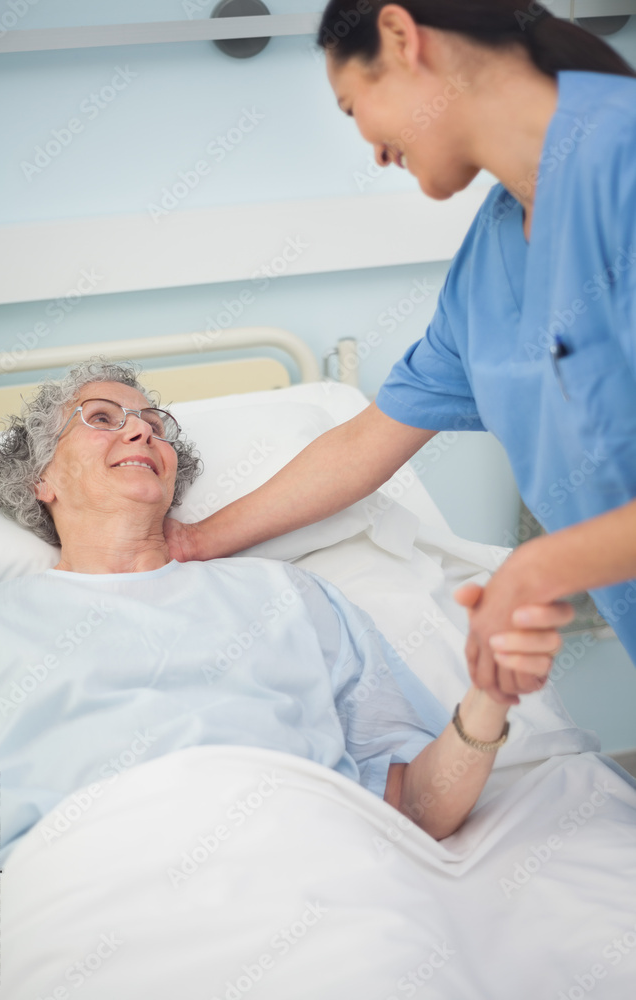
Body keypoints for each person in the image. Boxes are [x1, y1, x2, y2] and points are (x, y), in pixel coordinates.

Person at [164, 0, 636, 708]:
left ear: (399, 36)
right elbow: (366, 441)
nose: (376, 150)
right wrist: (195, 543)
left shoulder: (622, 161)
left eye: (355, 109)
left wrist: (537, 568)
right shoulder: (488, 263)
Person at [0, 357, 534, 924]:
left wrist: (488, 699)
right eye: (101, 418)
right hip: (77, 903)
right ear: (39, 480)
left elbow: (415, 807)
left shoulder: (287, 595)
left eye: (154, 425)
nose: (141, 430)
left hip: (313, 882)